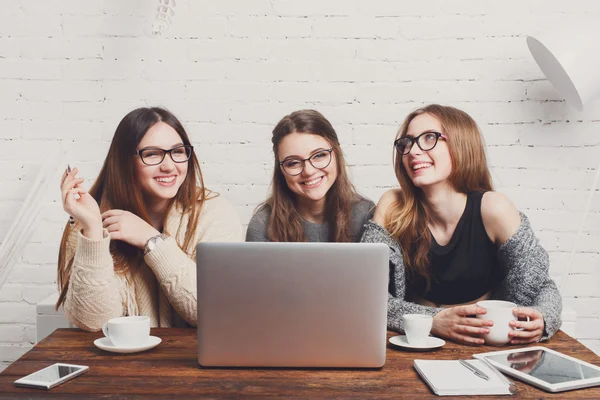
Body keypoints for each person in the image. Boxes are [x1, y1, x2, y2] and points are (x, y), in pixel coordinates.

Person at [361, 104, 562, 345]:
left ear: (461, 144)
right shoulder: (393, 207)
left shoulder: (494, 209)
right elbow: (366, 295)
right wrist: (434, 321)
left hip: (486, 344)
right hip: (416, 341)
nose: (413, 151)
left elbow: (541, 283)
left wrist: (543, 319)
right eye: (407, 142)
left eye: (429, 138)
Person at [57, 107, 243, 332]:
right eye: (152, 154)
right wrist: (94, 232)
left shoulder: (214, 213)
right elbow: (93, 322)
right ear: (125, 162)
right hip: (118, 363)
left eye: (178, 151)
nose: (169, 165)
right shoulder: (88, 223)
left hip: (192, 360)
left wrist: (152, 240)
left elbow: (216, 310)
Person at [246, 109, 374, 242]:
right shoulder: (263, 225)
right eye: (293, 163)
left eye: (319, 155)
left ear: (337, 154)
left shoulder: (365, 215)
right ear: (281, 170)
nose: (308, 171)